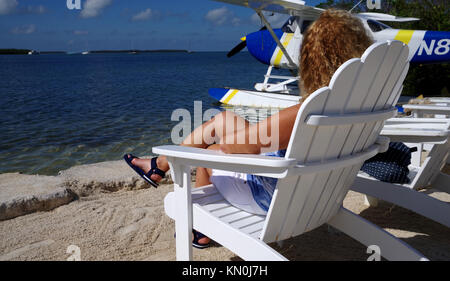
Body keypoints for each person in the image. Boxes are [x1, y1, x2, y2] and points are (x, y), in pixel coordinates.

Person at [124, 9, 373, 248]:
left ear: (312, 59)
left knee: (209, 154)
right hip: (319, 191)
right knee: (223, 120)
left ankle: (200, 228)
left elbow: (231, 147)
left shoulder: (309, 111)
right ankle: (159, 164)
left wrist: (233, 143)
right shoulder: (363, 105)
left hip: (278, 197)